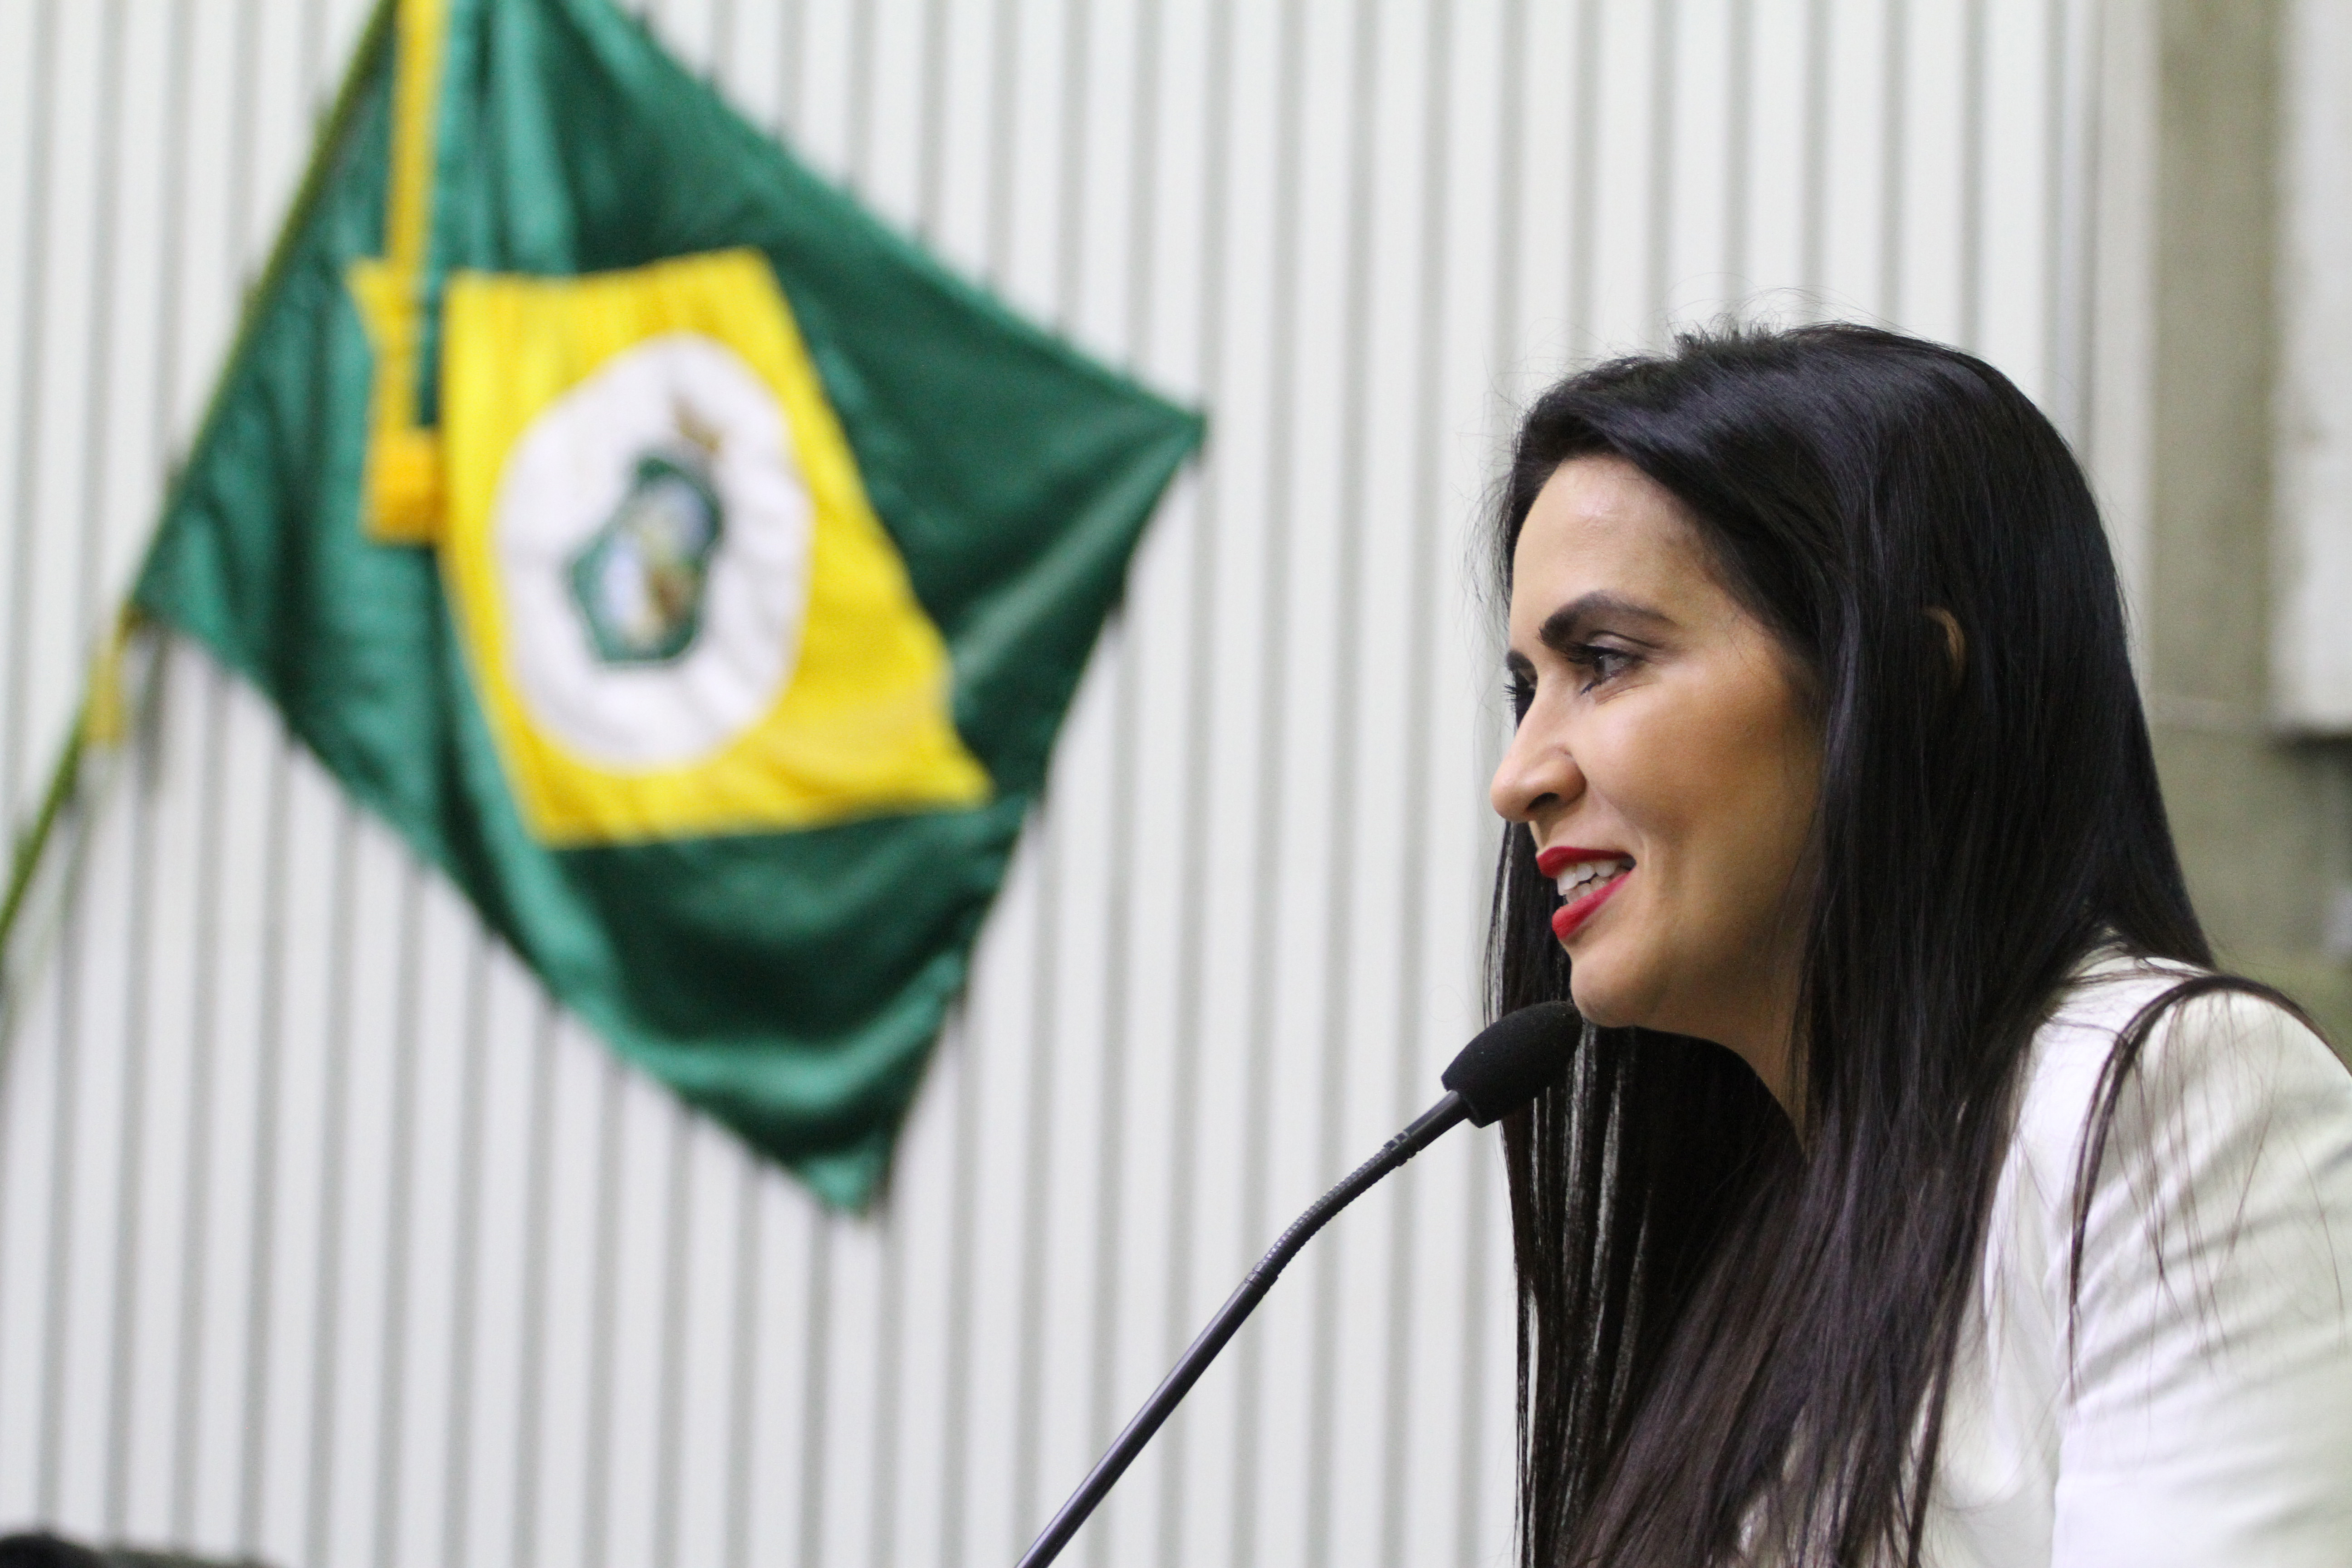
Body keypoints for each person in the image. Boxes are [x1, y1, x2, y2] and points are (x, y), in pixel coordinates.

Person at [1483, 323, 2352, 1567]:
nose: (1520, 778)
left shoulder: (2174, 1095)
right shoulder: (1766, 1219)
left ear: (1903, 686)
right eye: (1528, 690)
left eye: (1607, 662)